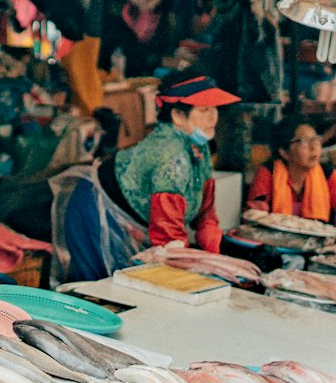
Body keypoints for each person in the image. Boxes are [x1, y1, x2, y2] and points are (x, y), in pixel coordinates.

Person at [51, 71, 238, 283]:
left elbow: (206, 214)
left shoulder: (199, 146)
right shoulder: (170, 155)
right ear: (177, 115)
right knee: (100, 290)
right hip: (93, 209)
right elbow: (168, 238)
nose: (213, 116)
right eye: (204, 109)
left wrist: (216, 259)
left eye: (214, 108)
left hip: (131, 218)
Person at [246, 118, 336, 239]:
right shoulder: (268, 172)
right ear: (284, 153)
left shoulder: (328, 174)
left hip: (317, 244)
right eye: (304, 141)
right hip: (276, 242)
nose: (314, 147)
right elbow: (254, 215)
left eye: (316, 140)